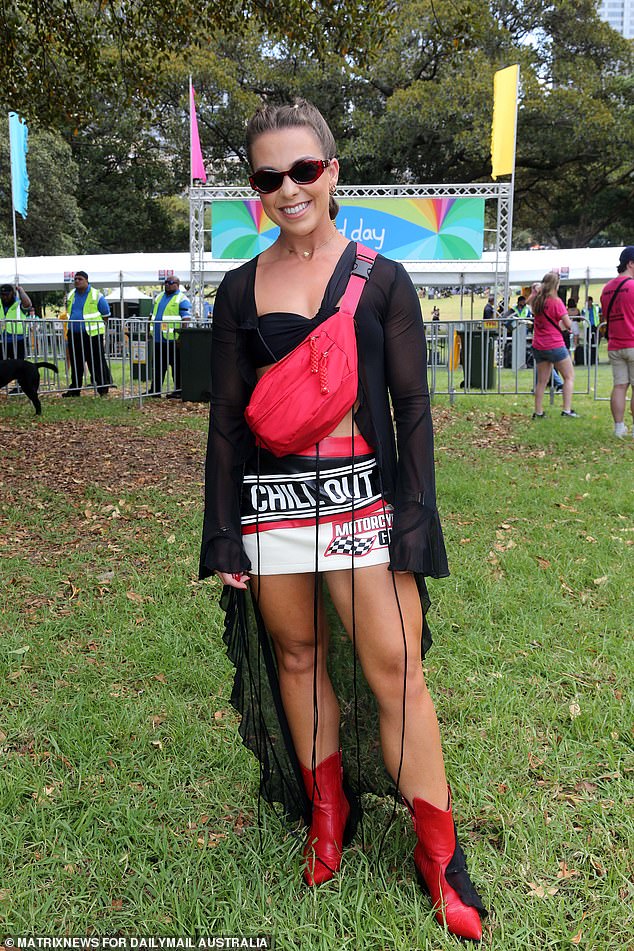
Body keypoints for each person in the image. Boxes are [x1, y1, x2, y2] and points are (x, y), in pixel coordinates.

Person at [199, 100, 486, 942]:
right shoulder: (239, 288)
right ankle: (331, 813)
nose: (288, 188)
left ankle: (440, 853)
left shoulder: (382, 278)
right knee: (295, 655)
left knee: (397, 669)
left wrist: (415, 516)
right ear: (256, 190)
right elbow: (223, 418)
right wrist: (222, 530)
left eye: (303, 169)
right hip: (274, 504)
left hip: (363, 496)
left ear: (331, 170)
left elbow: (413, 408)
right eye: (267, 177)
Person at [530, 272, 578, 418]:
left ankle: (538, 412)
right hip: (555, 344)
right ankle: (567, 410)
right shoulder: (556, 302)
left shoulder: (537, 301)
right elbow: (568, 323)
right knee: (569, 376)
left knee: (541, 381)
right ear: (556, 285)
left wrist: (534, 290)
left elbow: (529, 302)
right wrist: (563, 325)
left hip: (539, 344)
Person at [600, 246, 634, 438]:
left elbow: (606, 315)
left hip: (615, 344)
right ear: (630, 263)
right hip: (633, 341)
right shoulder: (633, 286)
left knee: (619, 386)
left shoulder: (606, 289)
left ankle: (619, 428)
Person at [63, 271, 111, 396]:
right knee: (76, 362)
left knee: (95, 362)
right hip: (74, 334)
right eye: (75, 279)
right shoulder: (71, 294)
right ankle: (75, 390)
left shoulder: (96, 295)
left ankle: (102, 388)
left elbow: (106, 315)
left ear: (86, 280)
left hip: (92, 335)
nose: (77, 281)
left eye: (80, 279)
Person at [150, 276, 191, 396]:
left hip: (173, 340)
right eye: (166, 282)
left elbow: (186, 318)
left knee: (176, 367)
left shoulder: (182, 299)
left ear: (177, 284)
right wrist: (149, 330)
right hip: (158, 338)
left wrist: (181, 337)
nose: (167, 284)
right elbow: (152, 314)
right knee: (157, 366)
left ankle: (178, 391)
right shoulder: (159, 296)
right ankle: (155, 390)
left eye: (170, 282)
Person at [1, 283, 32, 361]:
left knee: (18, 366)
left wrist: (21, 291)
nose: (4, 297)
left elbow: (28, 304)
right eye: (2, 295)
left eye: (7, 295)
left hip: (18, 339)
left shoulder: (19, 303)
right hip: (2, 339)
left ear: (13, 293)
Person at [582, 295, 601, 366]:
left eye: (589, 301)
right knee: (589, 343)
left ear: (591, 301)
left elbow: (601, 313)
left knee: (596, 343)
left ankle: (596, 358)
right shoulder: (584, 309)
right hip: (588, 327)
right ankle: (590, 359)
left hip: (595, 326)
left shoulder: (596, 308)